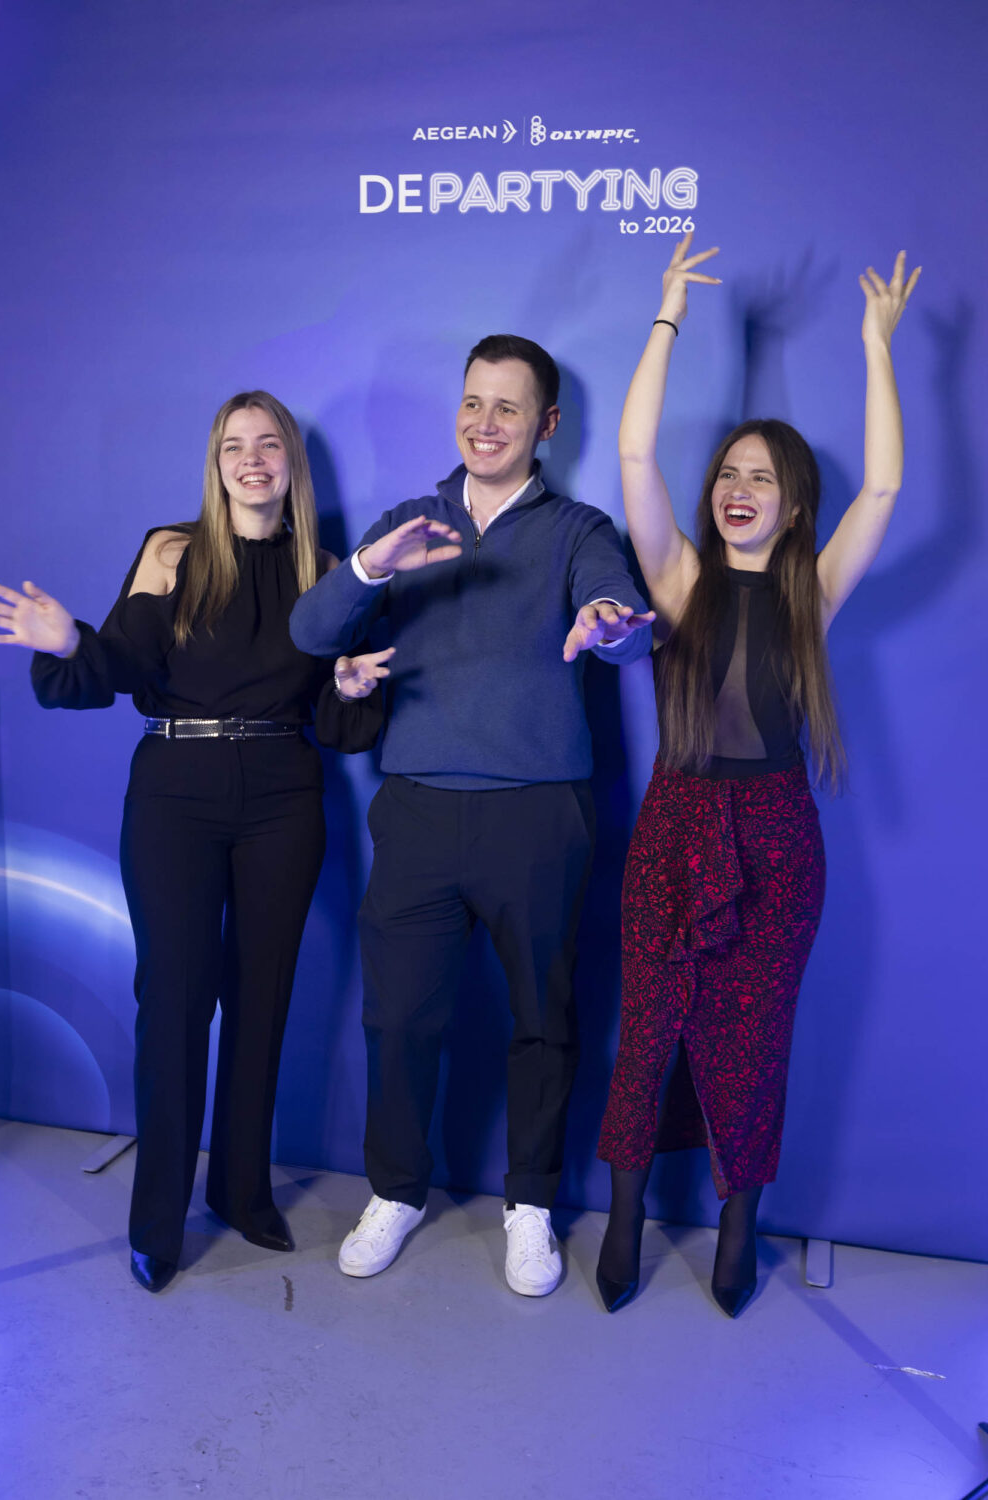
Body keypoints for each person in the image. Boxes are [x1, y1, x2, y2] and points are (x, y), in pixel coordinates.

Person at [0, 391, 387, 1294]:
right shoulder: (172, 551)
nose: (252, 460)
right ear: (215, 465)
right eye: (233, 447)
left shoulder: (327, 570)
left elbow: (336, 718)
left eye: (268, 444)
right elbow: (123, 664)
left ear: (291, 462)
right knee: (173, 1001)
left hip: (284, 793)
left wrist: (352, 687)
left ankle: (243, 1192)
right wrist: (69, 640)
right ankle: (157, 1221)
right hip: (176, 791)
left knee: (262, 998)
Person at [289, 334, 654, 1297]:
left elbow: (619, 619)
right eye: (472, 403)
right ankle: (395, 1190)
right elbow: (311, 631)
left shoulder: (577, 529)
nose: (484, 424)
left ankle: (530, 1204)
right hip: (416, 811)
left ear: (547, 424)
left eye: (507, 407)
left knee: (544, 1020)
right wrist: (371, 567)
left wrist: (606, 624)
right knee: (398, 1019)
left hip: (538, 815)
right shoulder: (408, 524)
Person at [595, 238, 920, 1316]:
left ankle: (740, 1225)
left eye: (762, 478)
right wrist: (669, 318)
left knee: (753, 1043)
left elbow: (886, 483)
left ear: (793, 505)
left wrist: (876, 344)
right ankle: (626, 1214)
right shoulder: (678, 578)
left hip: (780, 840)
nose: (739, 489)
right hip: (674, 826)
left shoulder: (811, 596)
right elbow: (634, 456)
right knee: (648, 1031)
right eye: (729, 474)